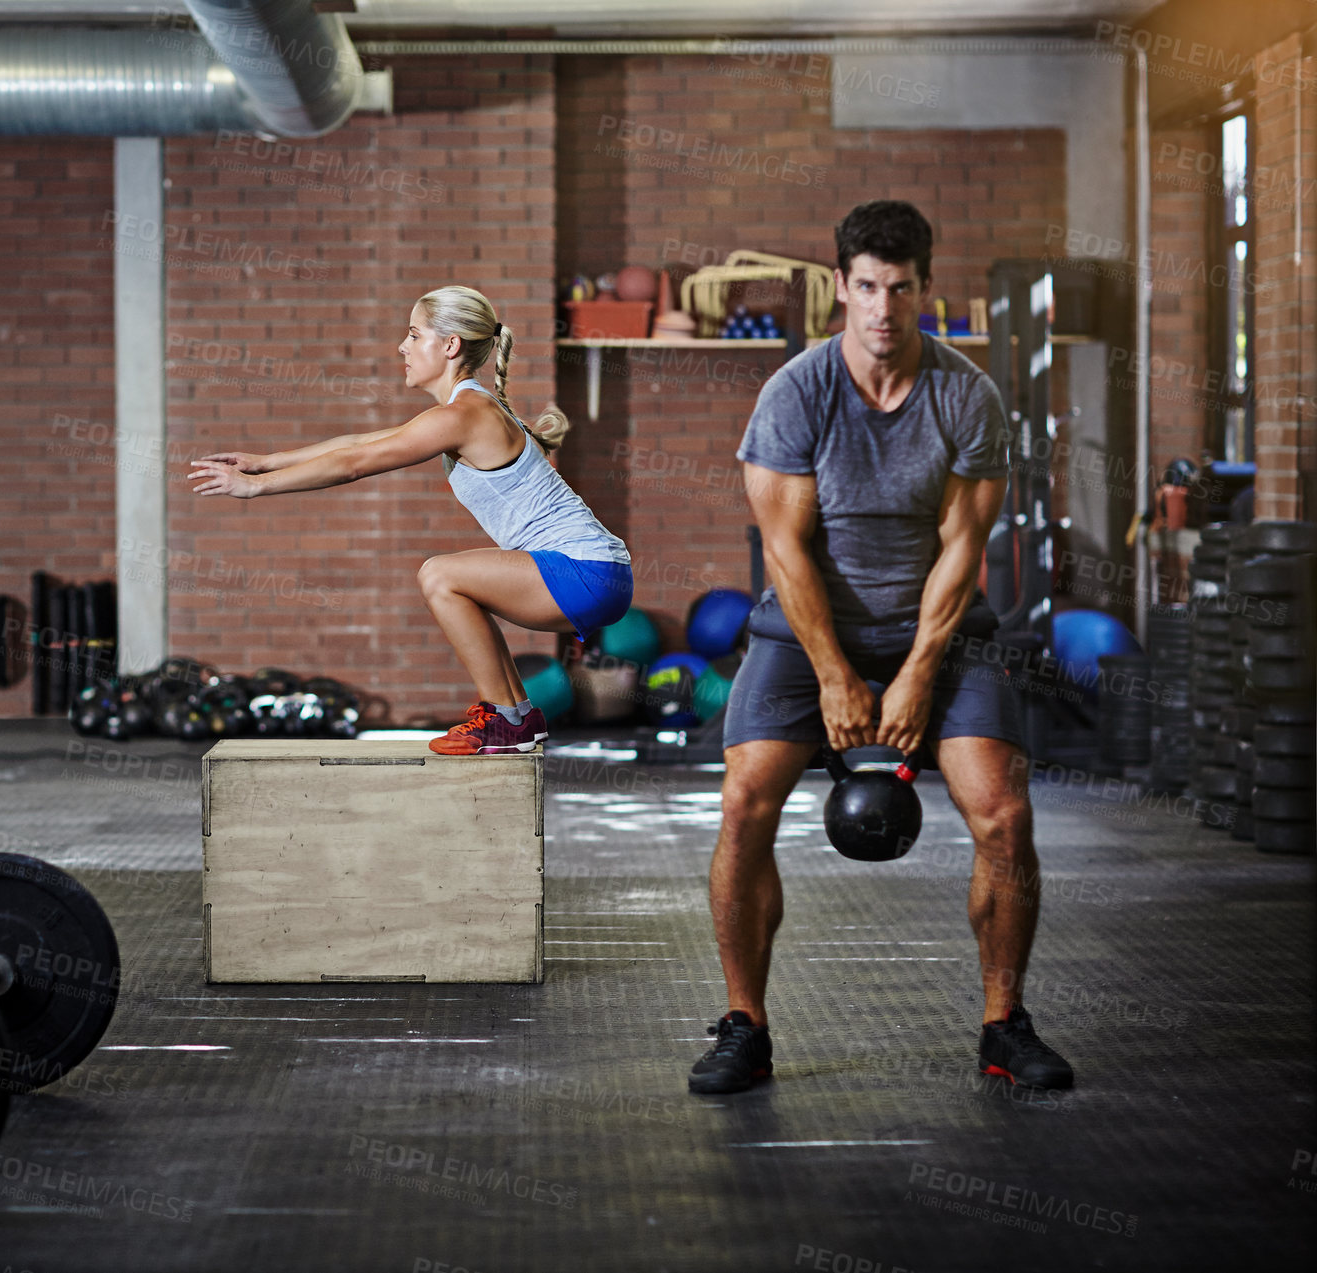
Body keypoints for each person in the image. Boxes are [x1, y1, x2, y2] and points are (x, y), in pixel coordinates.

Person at [689, 201, 1074, 1095]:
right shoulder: (796, 392)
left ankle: (1003, 1023)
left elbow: (962, 552)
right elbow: (783, 552)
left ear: (926, 289)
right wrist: (834, 676)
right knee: (745, 801)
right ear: (841, 288)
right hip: (802, 628)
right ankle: (745, 1022)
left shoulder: (965, 396)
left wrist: (913, 677)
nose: (883, 310)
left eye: (900, 289)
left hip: (937, 633)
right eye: (866, 287)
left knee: (1004, 816)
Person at [188, 285, 632, 755]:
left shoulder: (465, 413)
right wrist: (265, 461)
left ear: (450, 345)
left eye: (414, 333)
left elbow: (354, 465)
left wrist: (256, 488)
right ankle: (518, 718)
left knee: (441, 575)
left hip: (587, 572)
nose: (402, 345)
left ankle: (506, 719)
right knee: (453, 580)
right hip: (595, 571)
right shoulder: (465, 408)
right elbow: (358, 442)